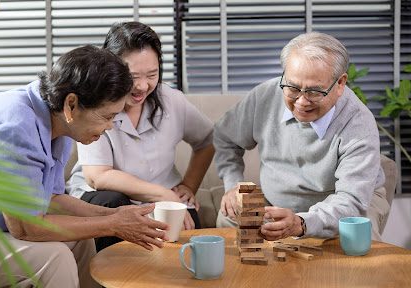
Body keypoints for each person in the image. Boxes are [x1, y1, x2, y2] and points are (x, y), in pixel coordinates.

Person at [0, 45, 169, 288]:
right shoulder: (16, 128)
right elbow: (26, 227)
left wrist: (114, 216)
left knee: (82, 241)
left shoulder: (55, 121)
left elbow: (51, 198)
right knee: (54, 258)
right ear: (71, 104)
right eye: (106, 117)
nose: (110, 127)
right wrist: (113, 225)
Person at [214, 32, 390, 241]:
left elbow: (351, 200)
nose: (301, 101)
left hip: (349, 205)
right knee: (228, 223)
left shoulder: (358, 123)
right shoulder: (264, 96)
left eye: (314, 92)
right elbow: (225, 137)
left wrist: (302, 223)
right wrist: (234, 184)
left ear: (340, 83)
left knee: (356, 245)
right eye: (293, 88)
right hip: (274, 201)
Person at [67, 22, 215, 251]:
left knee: (188, 220)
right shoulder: (95, 99)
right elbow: (98, 176)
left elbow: (208, 139)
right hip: (105, 198)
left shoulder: (171, 100)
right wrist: (162, 194)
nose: (142, 86)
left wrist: (188, 186)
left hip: (162, 198)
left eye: (152, 75)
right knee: (113, 202)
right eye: (132, 76)